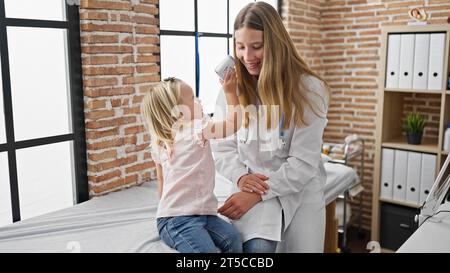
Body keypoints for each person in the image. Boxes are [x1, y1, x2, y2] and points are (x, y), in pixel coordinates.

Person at [211, 2, 330, 253]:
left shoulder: (309, 90)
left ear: (275, 44)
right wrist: (241, 178)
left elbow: (303, 163)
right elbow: (222, 148)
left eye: (257, 47)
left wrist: (256, 193)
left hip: (299, 195)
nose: (247, 57)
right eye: (240, 47)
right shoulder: (233, 88)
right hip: (249, 185)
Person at [141, 72, 243, 253]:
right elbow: (233, 124)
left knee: (233, 239)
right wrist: (230, 92)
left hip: (205, 214)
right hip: (175, 219)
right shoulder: (197, 129)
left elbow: (161, 182)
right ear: (180, 112)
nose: (199, 101)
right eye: (193, 98)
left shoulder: (173, 137)